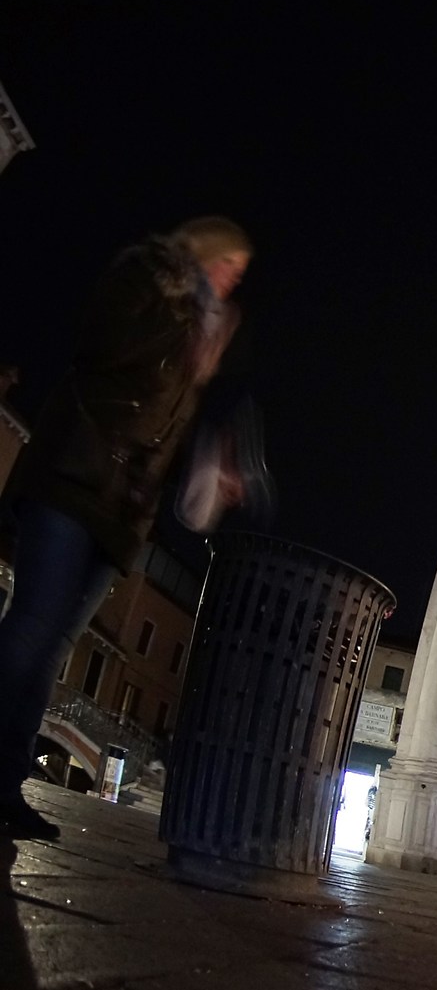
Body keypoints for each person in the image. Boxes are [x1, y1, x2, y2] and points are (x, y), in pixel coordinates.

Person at [0, 219, 252, 842]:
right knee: (31, 628)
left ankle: (3, 786)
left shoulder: (197, 332)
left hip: (120, 514)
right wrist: (185, 338)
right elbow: (102, 347)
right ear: (203, 252)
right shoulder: (143, 278)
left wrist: (209, 475)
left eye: (239, 277)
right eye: (228, 265)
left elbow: (163, 431)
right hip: (73, 473)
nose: (230, 281)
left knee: (51, 650)